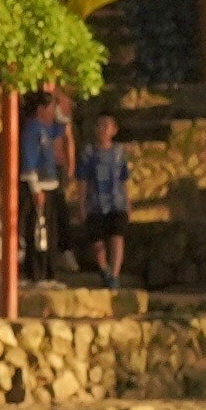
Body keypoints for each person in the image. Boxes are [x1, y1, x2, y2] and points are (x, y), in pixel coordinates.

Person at [19, 91, 74, 271]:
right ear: (40, 108)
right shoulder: (32, 129)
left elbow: (62, 125)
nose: (52, 111)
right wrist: (35, 189)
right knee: (37, 232)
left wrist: (57, 108)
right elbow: (29, 160)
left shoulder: (45, 128)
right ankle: (36, 271)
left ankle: (48, 270)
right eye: (50, 107)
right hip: (38, 186)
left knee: (51, 231)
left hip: (50, 184)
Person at [78, 103, 131, 283]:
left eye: (106, 125)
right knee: (97, 241)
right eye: (99, 125)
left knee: (117, 237)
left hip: (116, 201)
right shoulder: (89, 152)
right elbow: (83, 179)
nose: (102, 129)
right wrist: (81, 204)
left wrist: (128, 201)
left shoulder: (119, 153)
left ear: (114, 130)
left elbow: (124, 178)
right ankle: (104, 269)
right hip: (96, 202)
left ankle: (114, 276)